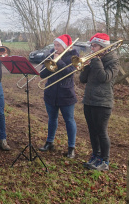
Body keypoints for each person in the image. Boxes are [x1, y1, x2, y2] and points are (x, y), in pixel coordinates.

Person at [79, 33, 119, 171]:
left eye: (94, 46)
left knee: (101, 132)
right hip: (89, 100)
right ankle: (95, 156)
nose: (92, 48)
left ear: (102, 47)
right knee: (92, 131)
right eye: (92, 45)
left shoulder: (113, 61)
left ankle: (105, 161)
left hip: (103, 102)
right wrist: (85, 66)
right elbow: (83, 79)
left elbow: (104, 77)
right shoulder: (93, 60)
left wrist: (95, 61)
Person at [38, 34, 78, 158]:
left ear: (65, 46)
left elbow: (70, 73)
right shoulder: (50, 55)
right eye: (55, 45)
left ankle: (71, 147)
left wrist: (58, 61)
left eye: (58, 45)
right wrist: (49, 63)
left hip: (66, 94)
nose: (55, 48)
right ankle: (49, 142)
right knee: (52, 119)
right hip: (50, 93)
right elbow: (42, 75)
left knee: (69, 120)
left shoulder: (73, 57)